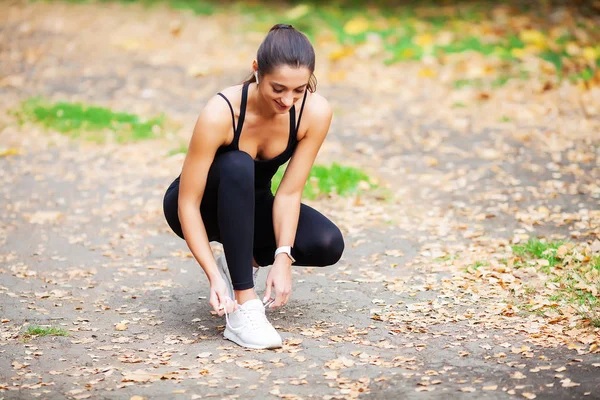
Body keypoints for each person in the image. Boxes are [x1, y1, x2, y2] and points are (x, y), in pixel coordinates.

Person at [163, 24, 344, 350]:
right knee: (237, 163)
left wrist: (282, 257)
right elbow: (187, 203)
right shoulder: (221, 112)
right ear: (256, 70)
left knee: (326, 242)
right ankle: (244, 307)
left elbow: (289, 192)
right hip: (202, 207)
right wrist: (215, 279)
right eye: (278, 88)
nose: (288, 100)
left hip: (252, 205)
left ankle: (241, 264)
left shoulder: (314, 112)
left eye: (299, 90)